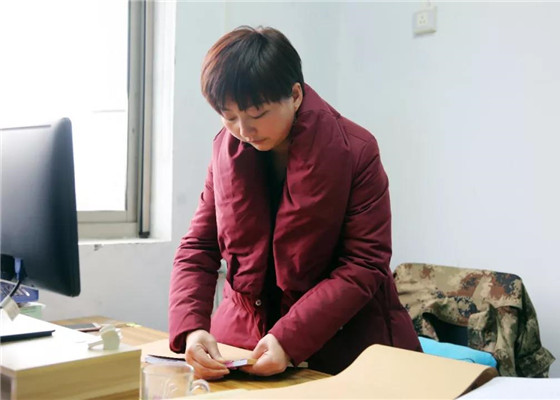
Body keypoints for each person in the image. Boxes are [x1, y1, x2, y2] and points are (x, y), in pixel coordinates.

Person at [168, 26, 421, 379]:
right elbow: (198, 246)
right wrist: (193, 329)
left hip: (346, 345)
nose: (244, 130)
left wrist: (289, 339)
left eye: (257, 113)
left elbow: (365, 263)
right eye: (229, 116)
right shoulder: (224, 150)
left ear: (296, 95)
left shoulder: (356, 151)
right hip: (245, 341)